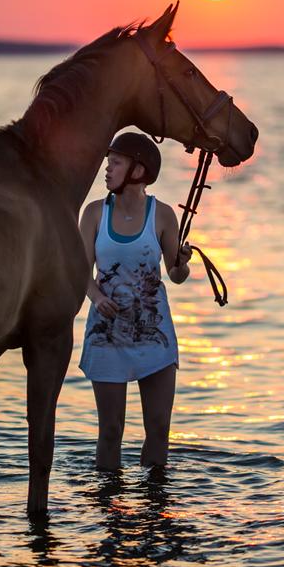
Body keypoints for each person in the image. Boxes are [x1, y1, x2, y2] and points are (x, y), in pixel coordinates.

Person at [78, 132, 192, 470]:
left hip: (153, 336)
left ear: (138, 170)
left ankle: (155, 505)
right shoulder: (95, 213)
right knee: (110, 431)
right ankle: (109, 507)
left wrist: (183, 261)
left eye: (115, 162)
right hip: (107, 336)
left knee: (158, 430)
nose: (107, 169)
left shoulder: (163, 215)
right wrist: (97, 297)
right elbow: (81, 272)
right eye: (107, 162)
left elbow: (175, 274)